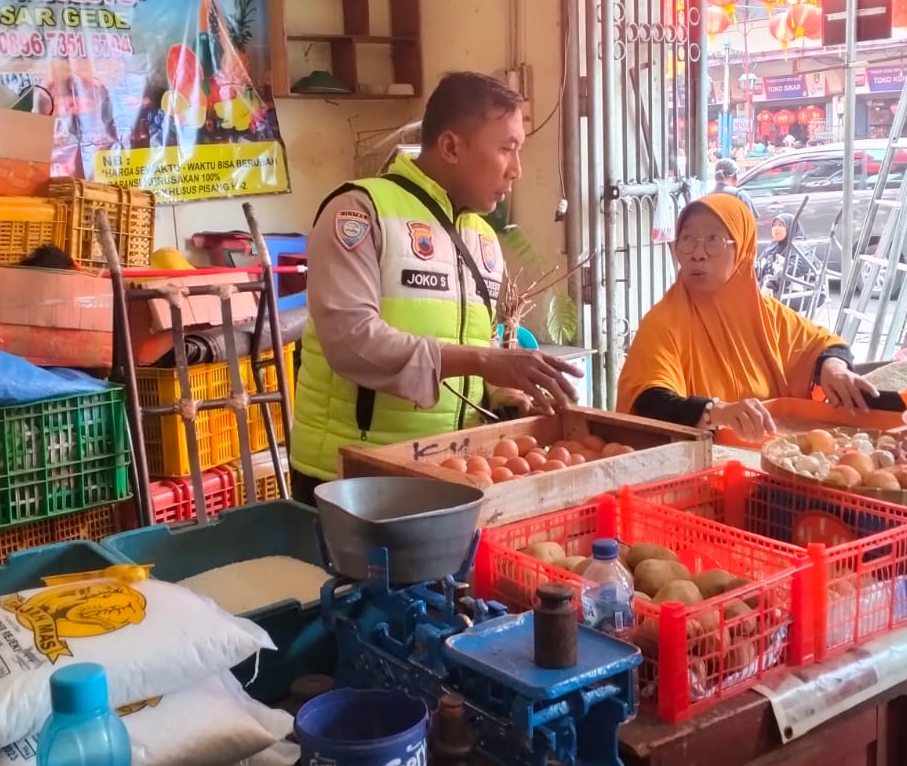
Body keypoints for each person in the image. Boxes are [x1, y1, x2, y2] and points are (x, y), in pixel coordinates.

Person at [289, 71, 582, 502]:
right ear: (450, 147)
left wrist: (505, 393)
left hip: (445, 467)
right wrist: (483, 361)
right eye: (506, 149)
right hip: (353, 477)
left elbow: (474, 341)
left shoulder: (482, 240)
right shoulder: (359, 211)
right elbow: (350, 341)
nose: (516, 170)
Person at [616, 194, 875, 442]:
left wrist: (833, 368)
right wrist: (714, 411)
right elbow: (648, 401)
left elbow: (825, 345)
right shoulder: (664, 323)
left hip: (775, 455)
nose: (698, 253)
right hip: (704, 461)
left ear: (742, 249)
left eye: (714, 240)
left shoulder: (768, 316)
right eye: (687, 239)